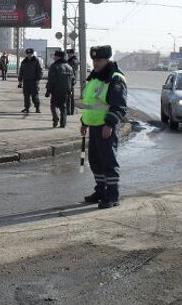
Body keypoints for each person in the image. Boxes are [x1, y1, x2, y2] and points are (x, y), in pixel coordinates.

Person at [81, 45, 127, 209]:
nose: (95, 63)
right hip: (93, 125)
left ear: (107, 59)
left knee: (108, 161)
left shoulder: (115, 78)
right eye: (93, 60)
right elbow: (91, 103)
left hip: (105, 127)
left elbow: (119, 106)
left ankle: (112, 195)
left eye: (99, 60)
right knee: (95, 161)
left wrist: (109, 124)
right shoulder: (95, 76)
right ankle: (100, 190)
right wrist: (84, 122)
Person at [46, 50, 75, 128]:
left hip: (56, 90)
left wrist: (48, 90)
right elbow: (73, 80)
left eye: (55, 56)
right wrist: (70, 88)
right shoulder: (69, 67)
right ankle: (63, 124)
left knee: (53, 105)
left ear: (58, 57)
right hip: (66, 91)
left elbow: (51, 80)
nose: (54, 57)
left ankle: (55, 118)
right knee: (63, 107)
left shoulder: (54, 66)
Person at [18, 48, 43, 113]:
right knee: (26, 96)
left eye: (30, 54)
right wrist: (20, 81)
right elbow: (21, 71)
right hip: (26, 81)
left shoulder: (36, 61)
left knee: (34, 96)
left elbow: (40, 71)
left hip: (34, 81)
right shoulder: (24, 61)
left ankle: (37, 108)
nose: (29, 55)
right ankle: (27, 108)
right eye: (28, 54)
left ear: (32, 54)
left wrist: (38, 79)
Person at [66, 49, 80, 115]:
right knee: (70, 96)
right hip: (72, 80)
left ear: (72, 54)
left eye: (69, 53)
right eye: (68, 53)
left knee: (69, 97)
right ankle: (70, 111)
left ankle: (69, 111)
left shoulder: (72, 61)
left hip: (70, 80)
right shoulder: (74, 60)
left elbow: (72, 71)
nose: (68, 55)